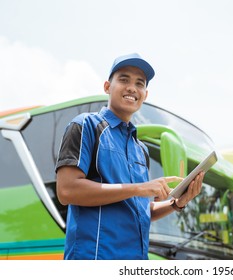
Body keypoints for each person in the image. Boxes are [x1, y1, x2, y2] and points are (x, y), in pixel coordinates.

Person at [55, 53, 205, 260]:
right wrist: (141, 188)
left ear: (145, 94)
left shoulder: (140, 149)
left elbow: (140, 209)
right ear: (107, 87)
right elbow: (67, 190)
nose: (132, 88)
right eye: (124, 79)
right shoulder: (85, 125)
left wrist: (177, 203)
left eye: (139, 83)